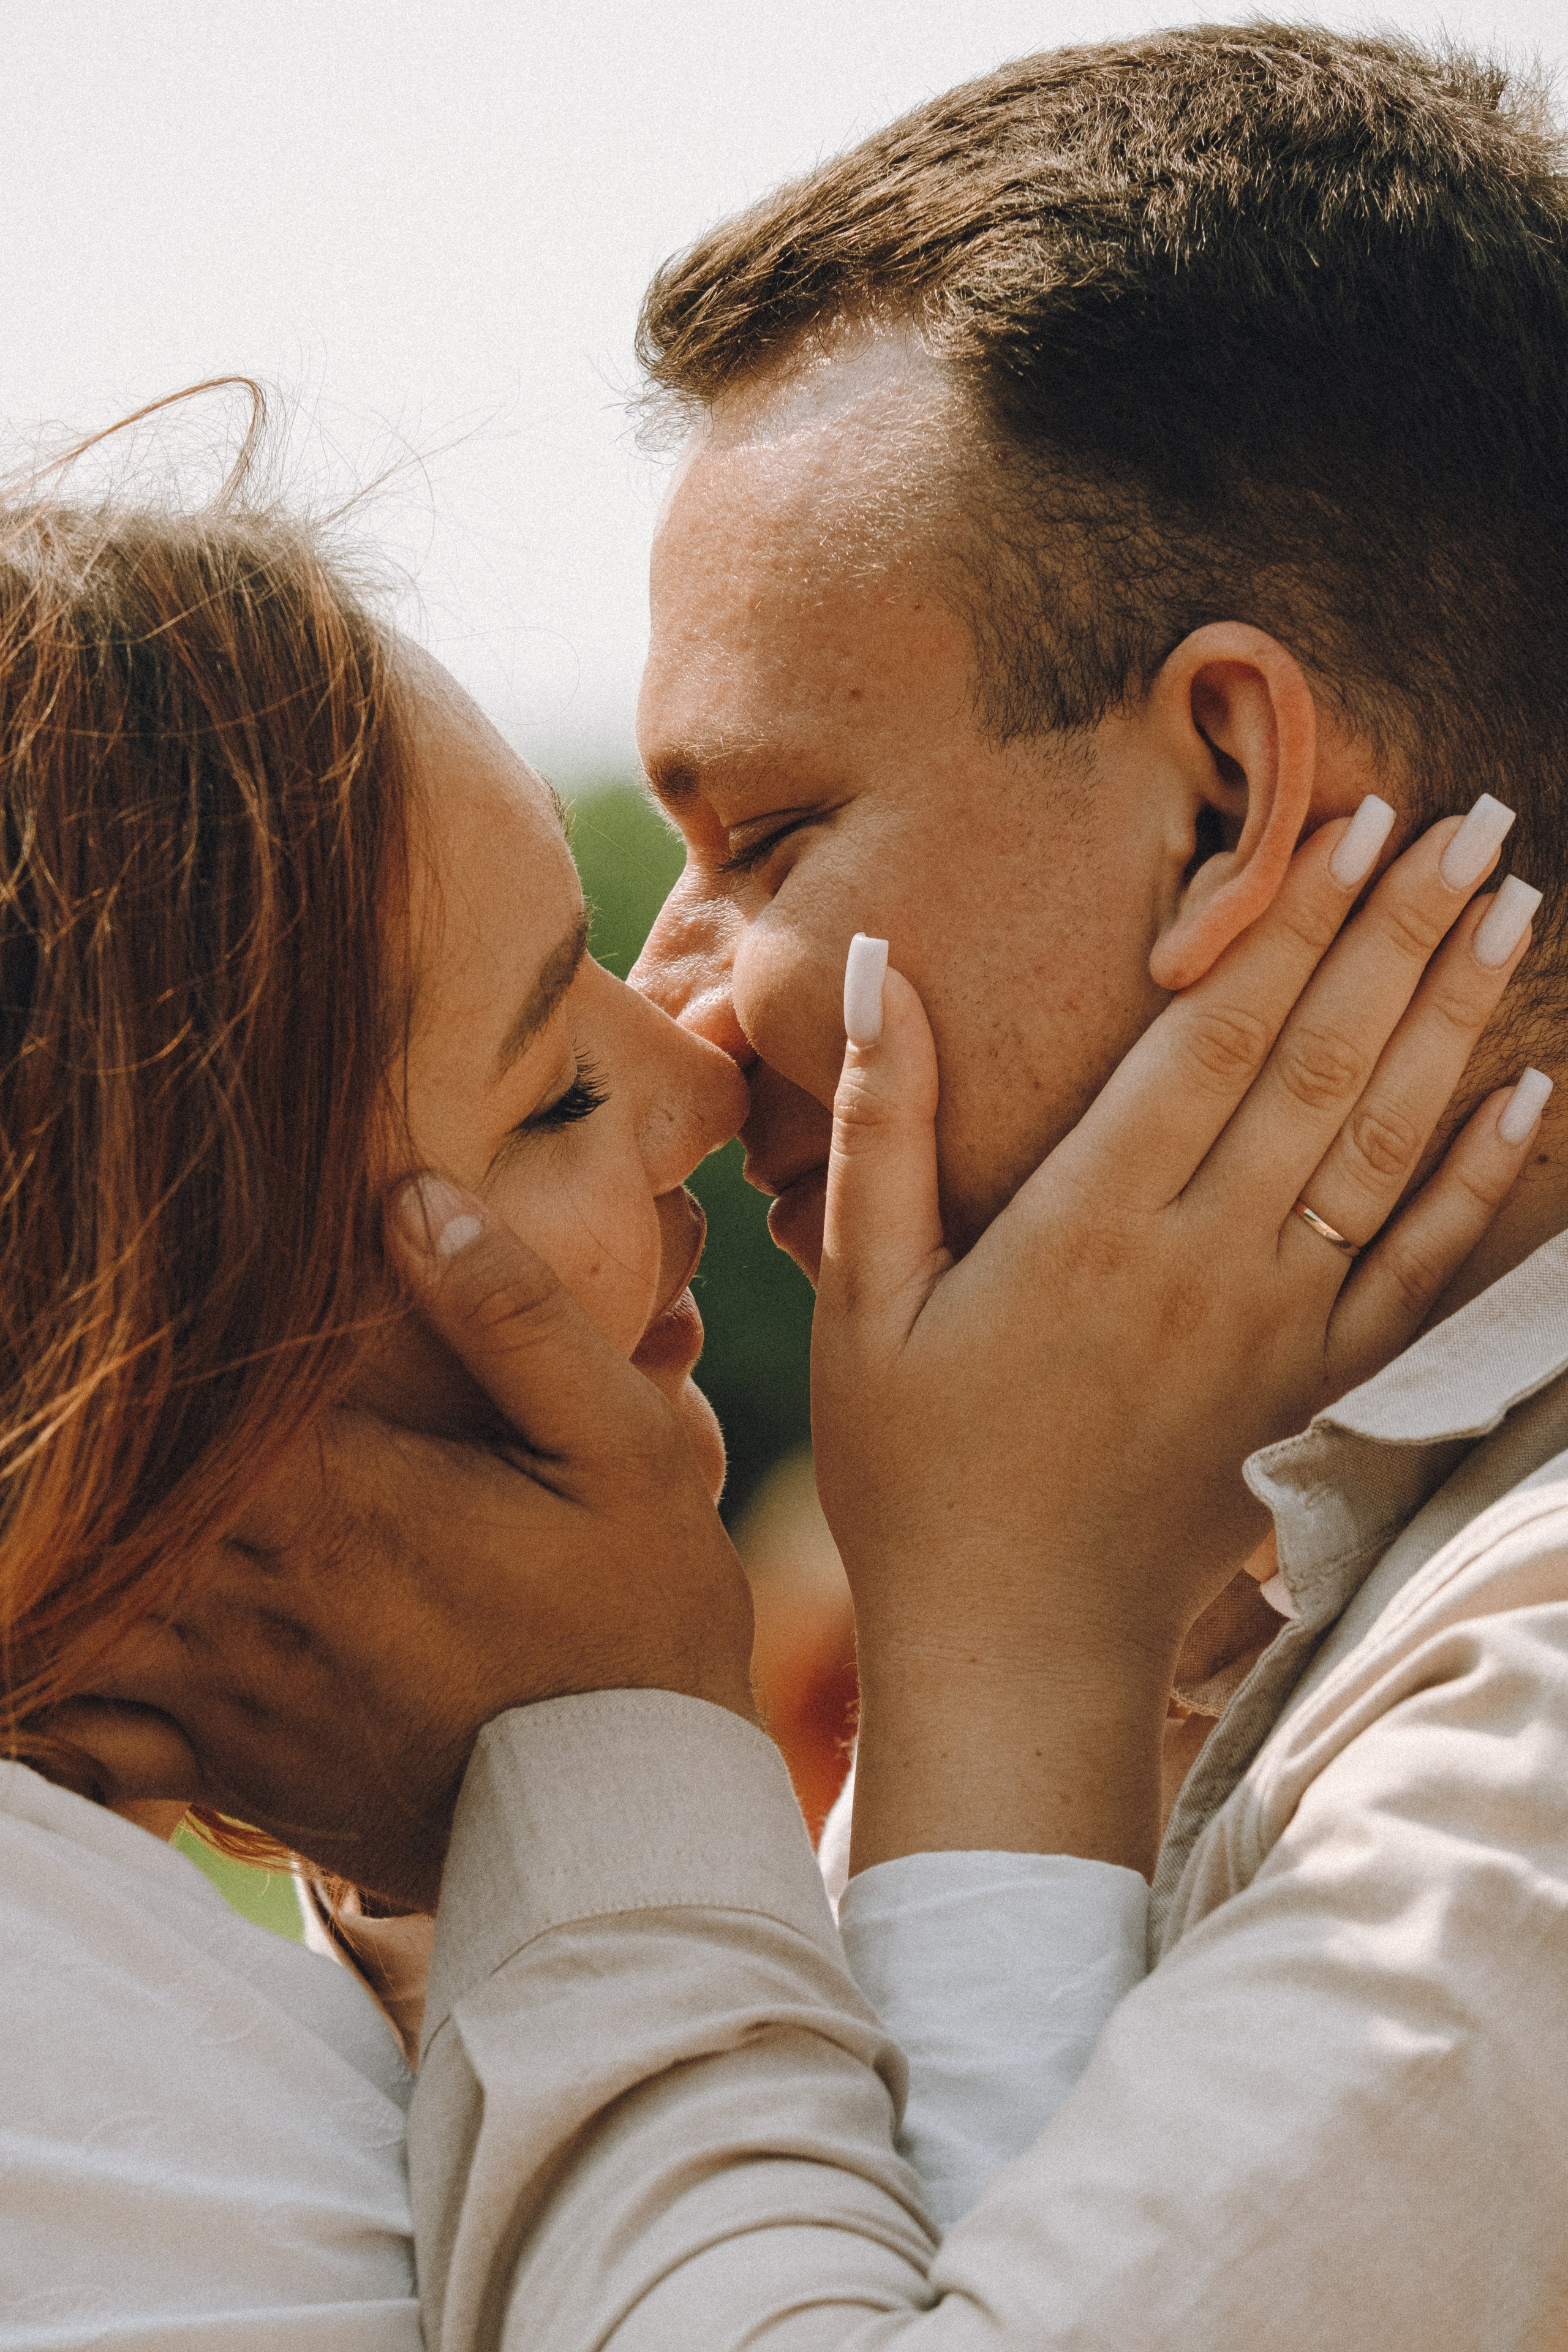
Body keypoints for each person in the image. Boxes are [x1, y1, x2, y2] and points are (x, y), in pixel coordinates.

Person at [135, 23, 1568, 2348]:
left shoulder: (1523, 1721)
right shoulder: (1238, 1583)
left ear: (1224, 795)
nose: (680, 1027)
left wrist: (618, 1784)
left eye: (761, 838)